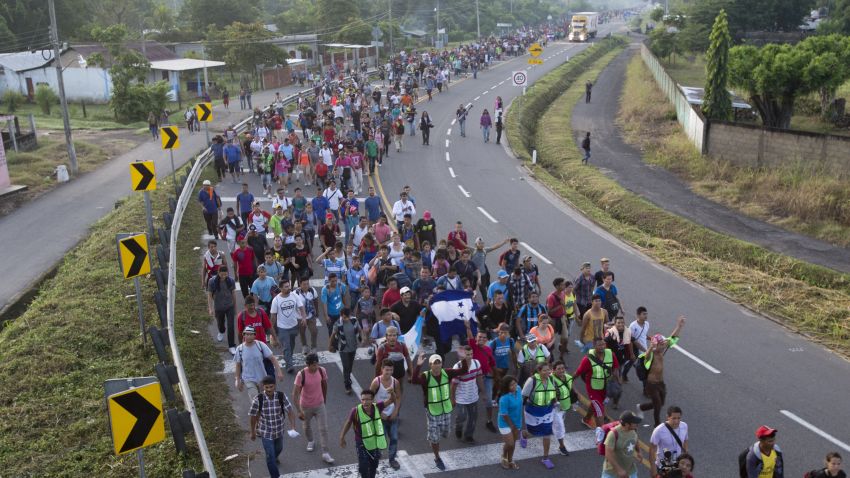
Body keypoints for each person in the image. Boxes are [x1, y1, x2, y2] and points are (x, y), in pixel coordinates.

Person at [411, 351, 470, 471]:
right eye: (434, 363)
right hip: (432, 411)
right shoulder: (425, 376)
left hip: (446, 409)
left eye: (439, 363)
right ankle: (437, 457)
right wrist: (418, 365)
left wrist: (463, 359)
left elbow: (464, 371)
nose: (437, 365)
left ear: (441, 364)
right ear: (430, 365)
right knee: (434, 437)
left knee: (445, 433)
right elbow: (414, 380)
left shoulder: (447, 373)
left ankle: (436, 438)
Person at [636, 316, 686, 427]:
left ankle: (641, 407)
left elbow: (671, 338)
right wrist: (651, 347)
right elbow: (646, 356)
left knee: (660, 403)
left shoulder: (661, 351)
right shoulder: (650, 355)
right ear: (655, 345)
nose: (664, 345)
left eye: (663, 344)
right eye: (661, 344)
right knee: (658, 405)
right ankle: (657, 424)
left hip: (660, 383)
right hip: (651, 384)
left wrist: (679, 326)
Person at [249, 376, 298, 478]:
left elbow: (290, 411)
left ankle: (274, 458)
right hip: (266, 432)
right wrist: (253, 431)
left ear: (275, 386)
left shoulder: (281, 396)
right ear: (263, 387)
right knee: (270, 456)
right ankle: (275, 475)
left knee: (279, 449)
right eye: (266, 387)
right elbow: (253, 416)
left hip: (279, 431)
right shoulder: (258, 399)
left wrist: (293, 427)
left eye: (271, 387)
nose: (269, 389)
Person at [339, 388, 395, 478]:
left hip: (374, 442)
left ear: (372, 400)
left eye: (367, 399)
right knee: (364, 465)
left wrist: (392, 393)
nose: (365, 402)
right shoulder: (355, 411)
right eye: (363, 399)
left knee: (374, 464)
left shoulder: (377, 407)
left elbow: (392, 400)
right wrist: (342, 437)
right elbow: (348, 423)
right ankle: (363, 473)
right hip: (361, 442)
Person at [293, 353, 335, 464]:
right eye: (313, 365)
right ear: (308, 365)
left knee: (323, 429)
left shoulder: (322, 370)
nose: (315, 367)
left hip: (319, 404)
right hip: (306, 406)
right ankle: (311, 441)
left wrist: (324, 400)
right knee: (306, 427)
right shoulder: (301, 374)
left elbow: (324, 384)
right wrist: (299, 411)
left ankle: (326, 453)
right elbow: (295, 394)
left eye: (317, 364)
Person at [574, 336, 620, 428]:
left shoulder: (611, 354)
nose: (602, 347)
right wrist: (571, 385)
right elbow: (577, 373)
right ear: (594, 346)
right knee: (599, 412)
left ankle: (586, 419)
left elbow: (615, 367)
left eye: (603, 344)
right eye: (599, 345)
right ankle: (601, 436)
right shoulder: (587, 359)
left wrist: (617, 381)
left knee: (596, 405)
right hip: (593, 388)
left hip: (606, 387)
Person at [521, 361, 557, 469]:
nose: (547, 372)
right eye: (545, 370)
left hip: (547, 410)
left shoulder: (551, 379)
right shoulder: (531, 381)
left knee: (547, 433)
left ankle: (545, 458)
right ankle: (524, 434)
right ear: (539, 371)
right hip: (533, 410)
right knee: (533, 432)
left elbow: (553, 393)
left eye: (548, 370)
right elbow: (523, 396)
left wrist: (555, 403)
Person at [370, 359, 403, 470]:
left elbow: (398, 397)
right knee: (381, 438)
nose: (389, 372)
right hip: (380, 415)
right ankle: (377, 453)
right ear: (382, 369)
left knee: (394, 438)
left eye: (391, 370)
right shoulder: (376, 382)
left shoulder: (395, 382)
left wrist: (396, 411)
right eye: (387, 370)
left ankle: (392, 459)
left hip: (392, 415)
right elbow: (369, 399)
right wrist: (378, 413)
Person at [235, 326, 283, 400]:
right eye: (246, 334)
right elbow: (238, 366)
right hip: (248, 379)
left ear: (255, 335)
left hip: (262, 378)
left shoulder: (260, 345)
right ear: (243, 335)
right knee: (255, 400)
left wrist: (279, 372)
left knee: (265, 399)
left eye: (251, 334)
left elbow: (273, 359)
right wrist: (237, 380)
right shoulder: (239, 349)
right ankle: (258, 411)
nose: (248, 336)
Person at [270, 280, 306, 373]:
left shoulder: (294, 296)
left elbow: (301, 307)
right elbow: (273, 316)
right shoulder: (276, 300)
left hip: (294, 326)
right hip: (282, 328)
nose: (288, 288)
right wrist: (272, 329)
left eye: (288, 286)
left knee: (292, 344)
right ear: (281, 288)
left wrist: (304, 318)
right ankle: (289, 365)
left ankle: (288, 357)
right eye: (286, 287)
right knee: (287, 346)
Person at [451, 344, 483, 443]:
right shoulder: (457, 367)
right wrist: (452, 399)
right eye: (467, 355)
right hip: (461, 398)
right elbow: (453, 386)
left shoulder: (476, 363)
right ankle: (458, 426)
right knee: (462, 416)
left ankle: (468, 435)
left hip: (473, 396)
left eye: (471, 354)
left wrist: (482, 390)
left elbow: (479, 377)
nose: (470, 356)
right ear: (462, 355)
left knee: (473, 417)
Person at [649, 406, 689, 477]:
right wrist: (653, 468)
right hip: (663, 466)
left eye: (678, 418)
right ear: (668, 417)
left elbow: (685, 440)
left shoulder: (684, 426)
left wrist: (685, 455)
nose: (676, 421)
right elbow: (652, 449)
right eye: (674, 418)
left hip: (678, 466)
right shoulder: (659, 430)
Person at [601, 411, 643, 478]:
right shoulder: (613, 434)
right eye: (634, 422)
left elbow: (635, 439)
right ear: (626, 424)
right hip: (612, 473)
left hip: (630, 470)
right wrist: (619, 470)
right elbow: (608, 454)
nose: (636, 424)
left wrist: (639, 451)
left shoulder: (633, 430)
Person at [208, 266, 238, 355]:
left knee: (231, 326)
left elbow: (233, 295)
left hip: (229, 306)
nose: (224, 276)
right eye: (222, 274)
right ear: (218, 272)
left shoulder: (231, 281)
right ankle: (221, 331)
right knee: (220, 324)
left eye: (225, 274)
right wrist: (210, 308)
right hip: (218, 307)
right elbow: (209, 295)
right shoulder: (212, 281)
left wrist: (235, 307)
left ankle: (231, 346)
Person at [331, 308, 361, 394]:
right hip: (343, 348)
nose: (345, 319)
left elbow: (359, 330)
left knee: (350, 366)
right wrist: (330, 345)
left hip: (353, 347)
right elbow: (333, 335)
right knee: (346, 366)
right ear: (341, 315)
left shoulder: (354, 321)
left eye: (347, 317)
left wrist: (363, 338)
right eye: (344, 317)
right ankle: (347, 384)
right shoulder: (338, 324)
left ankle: (347, 377)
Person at [497, 376, 522, 470]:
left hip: (517, 421)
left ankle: (510, 460)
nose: (514, 385)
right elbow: (504, 415)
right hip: (505, 423)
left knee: (513, 443)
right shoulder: (504, 399)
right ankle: (504, 456)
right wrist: (512, 425)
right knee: (510, 443)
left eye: (515, 383)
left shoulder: (519, 389)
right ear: (506, 387)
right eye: (511, 385)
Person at [551, 361, 576, 456]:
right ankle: (561, 446)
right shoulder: (551, 380)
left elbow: (572, 390)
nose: (561, 370)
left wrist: (575, 400)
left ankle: (525, 434)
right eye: (559, 369)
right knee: (560, 427)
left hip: (565, 407)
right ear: (553, 370)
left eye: (563, 368)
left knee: (553, 425)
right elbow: (551, 394)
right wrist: (556, 404)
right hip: (555, 409)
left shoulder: (568, 377)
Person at [625, 307, 650, 383]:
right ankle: (624, 375)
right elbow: (630, 339)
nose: (646, 316)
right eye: (644, 314)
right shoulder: (633, 326)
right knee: (630, 362)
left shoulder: (647, 324)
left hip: (643, 349)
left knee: (644, 366)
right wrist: (632, 353)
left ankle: (645, 383)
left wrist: (650, 338)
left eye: (646, 314)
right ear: (638, 315)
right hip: (635, 348)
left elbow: (644, 334)